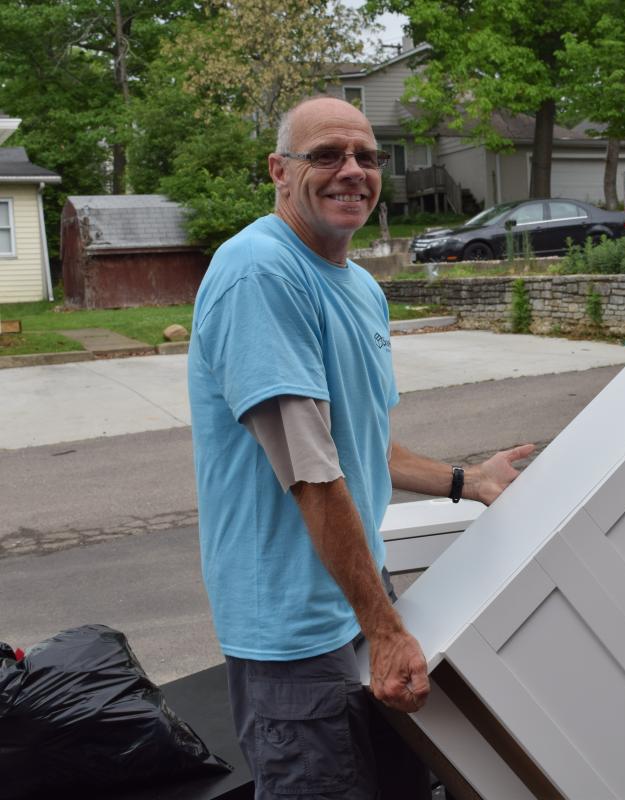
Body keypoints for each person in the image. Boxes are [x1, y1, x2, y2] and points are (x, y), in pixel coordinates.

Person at [187, 95, 535, 799]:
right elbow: (313, 473)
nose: (353, 171)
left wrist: (468, 480)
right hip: (296, 635)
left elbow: (359, 444)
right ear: (279, 172)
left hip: (357, 603)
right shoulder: (260, 271)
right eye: (327, 155)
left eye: (367, 157)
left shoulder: (359, 288)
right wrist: (385, 628)